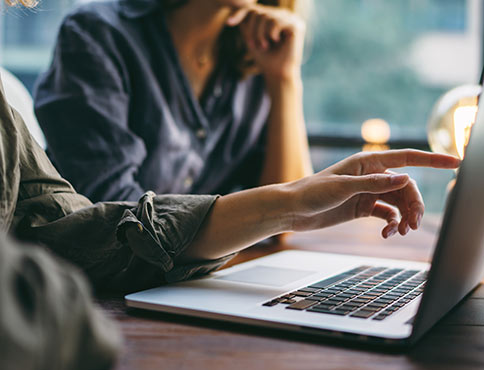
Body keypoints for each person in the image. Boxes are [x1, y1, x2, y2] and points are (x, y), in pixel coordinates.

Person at [34, 0, 313, 203]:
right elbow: (109, 211)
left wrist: (284, 78)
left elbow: (290, 214)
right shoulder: (97, 32)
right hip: (99, 278)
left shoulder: (258, 54)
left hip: (197, 275)